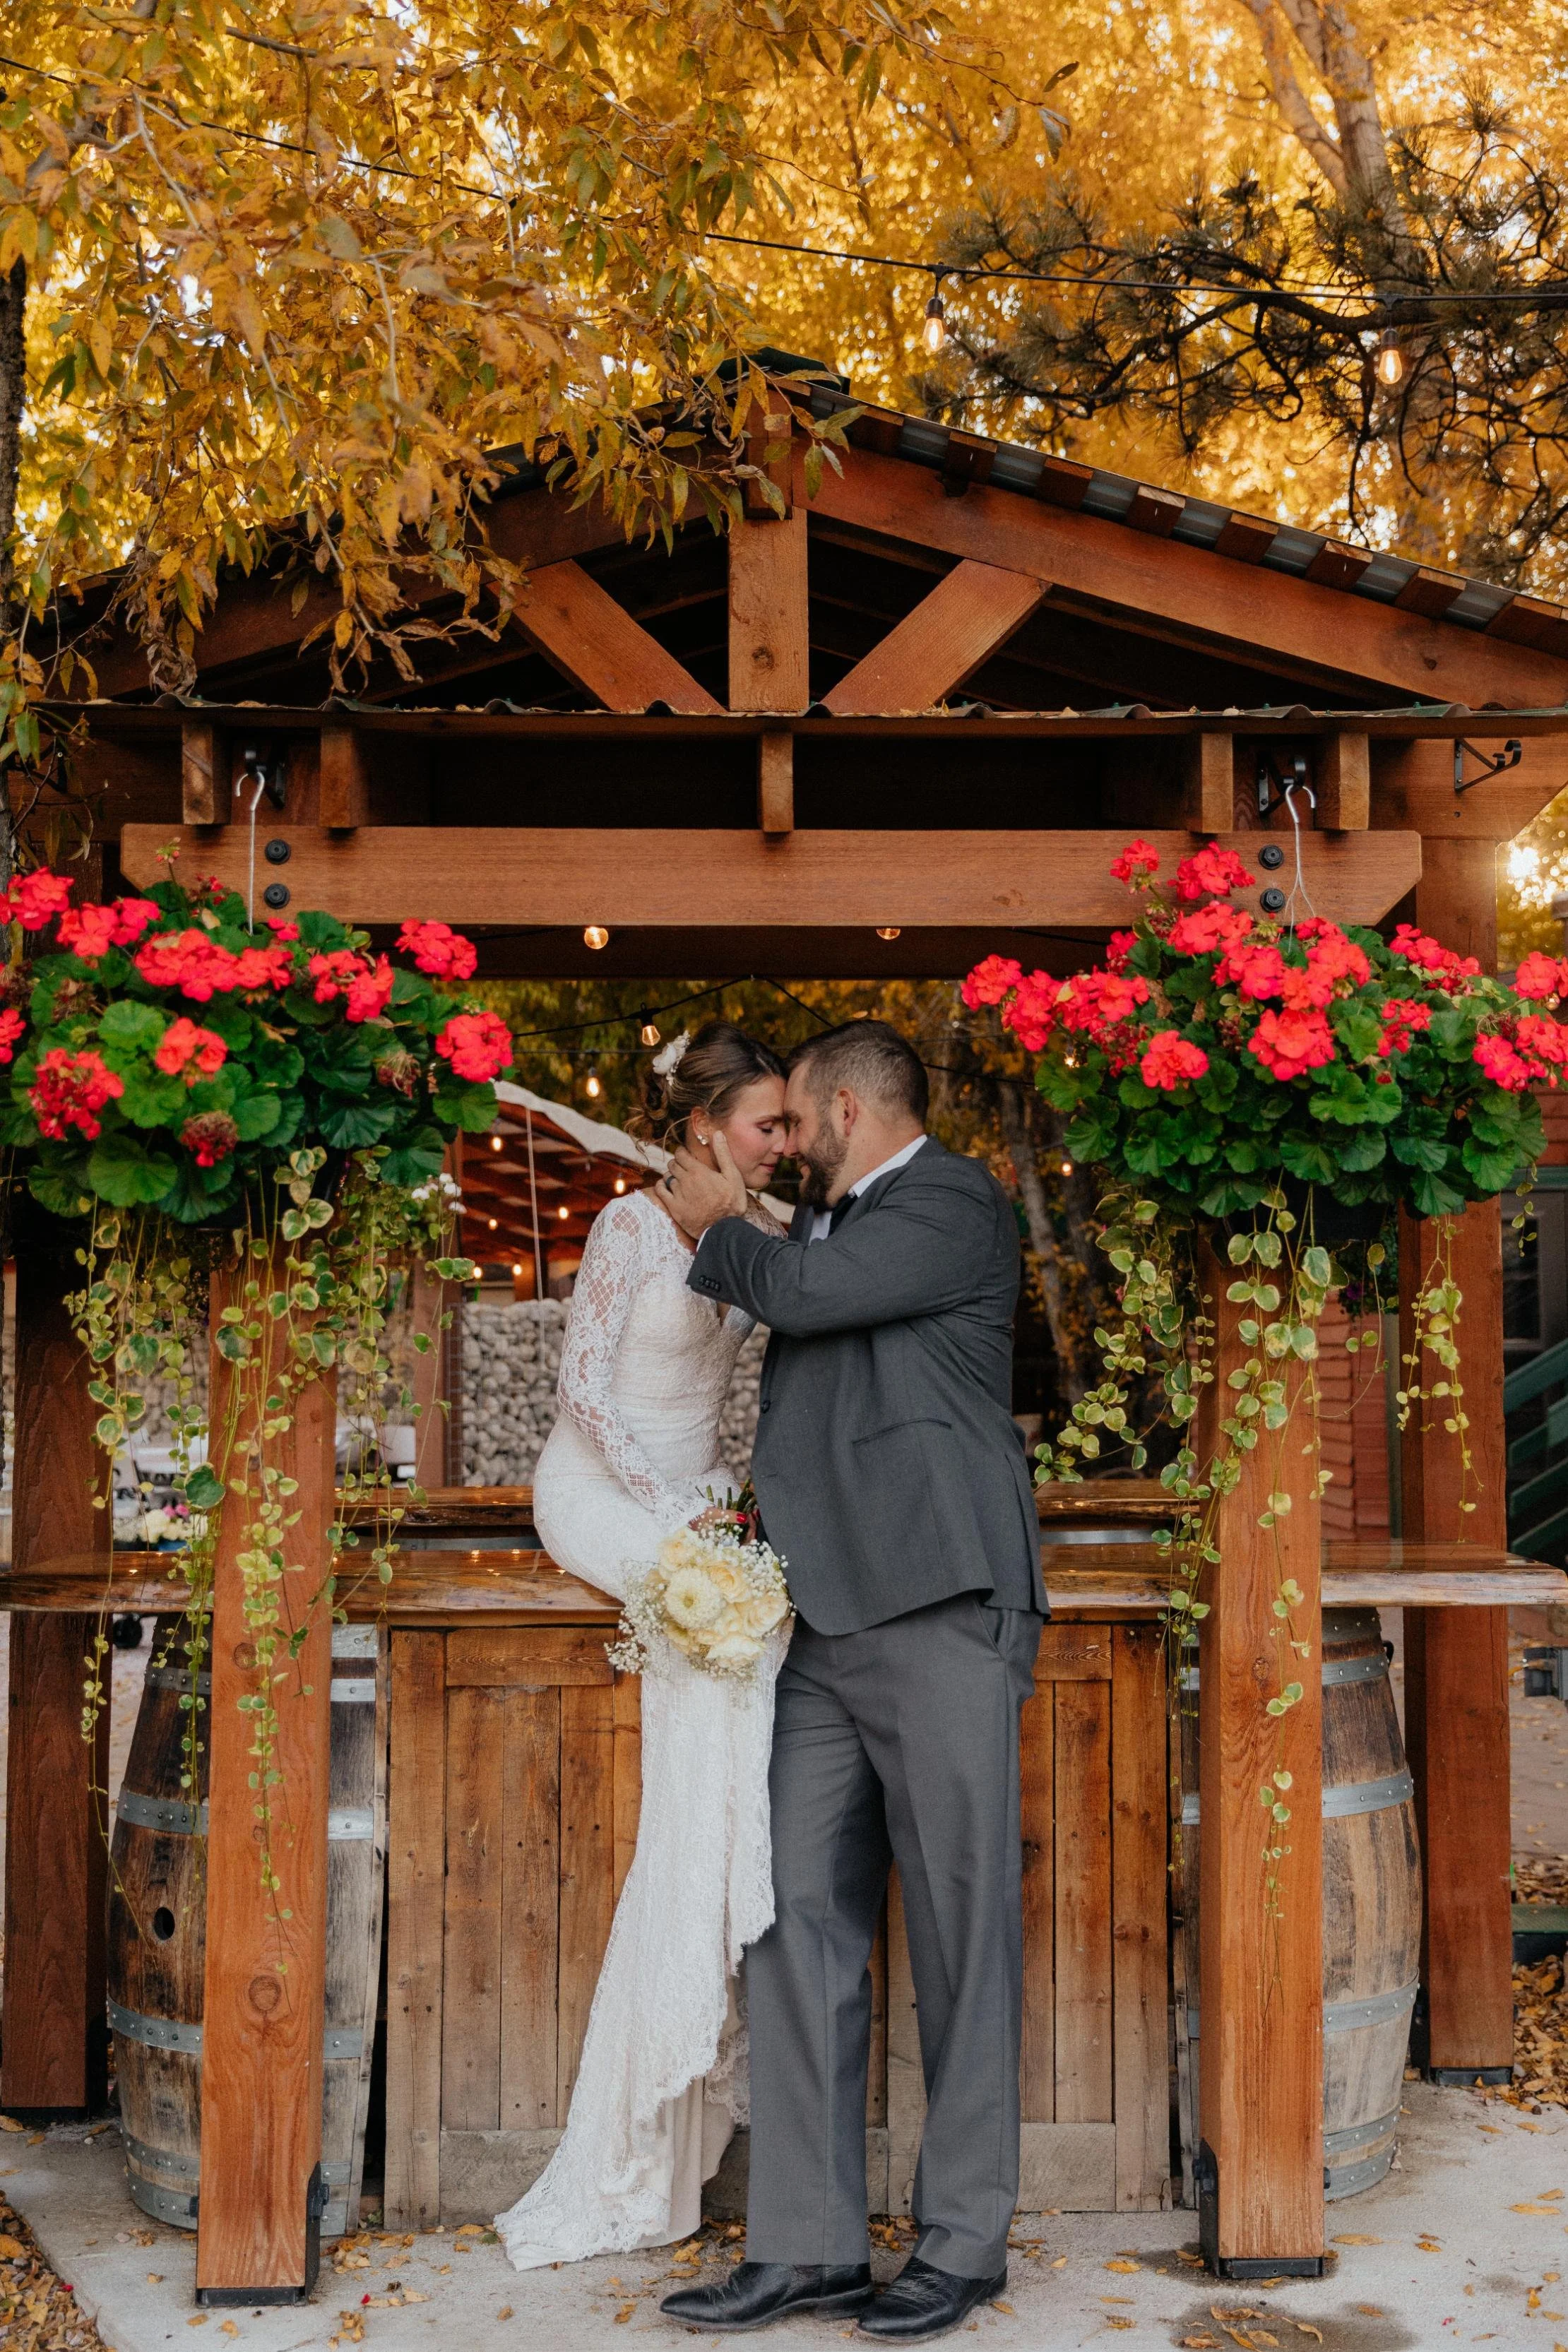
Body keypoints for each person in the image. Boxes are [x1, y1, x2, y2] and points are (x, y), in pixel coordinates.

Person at [658, 1018, 1045, 2344]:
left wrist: (717, 1217)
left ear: (837, 1107)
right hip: (817, 1625)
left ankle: (964, 2238)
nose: (785, 1144)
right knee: (791, 1924)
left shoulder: (950, 1196)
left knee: (960, 1924)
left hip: (940, 1600)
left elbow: (810, 1302)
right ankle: (807, 2245)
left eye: (794, 1122)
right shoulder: (823, 1227)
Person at [494, 1023, 790, 2271]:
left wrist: (726, 1488)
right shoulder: (626, 1228)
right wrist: (676, 1511)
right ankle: (696, 1952)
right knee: (711, 1636)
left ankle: (710, 1918)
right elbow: (588, 1395)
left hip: (695, 1485)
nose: (784, 1140)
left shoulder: (758, 1235)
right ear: (703, 1126)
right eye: (767, 1122)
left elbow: (742, 1389)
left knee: (749, 1639)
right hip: (600, 1490)